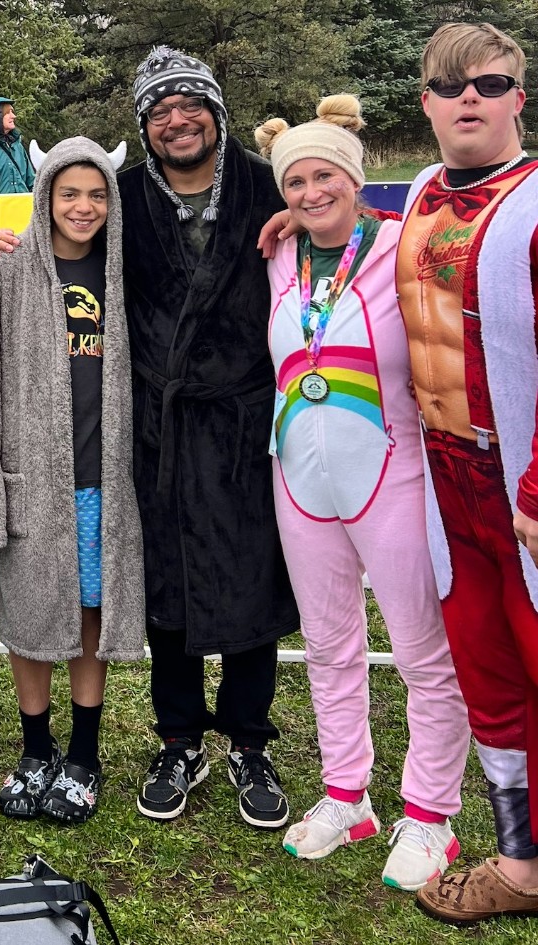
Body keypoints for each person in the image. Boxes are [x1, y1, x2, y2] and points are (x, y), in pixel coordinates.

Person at [0, 47, 299, 830]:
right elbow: (61, 238)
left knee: (252, 582)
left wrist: (322, 215)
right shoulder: (121, 198)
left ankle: (250, 740)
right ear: (144, 125)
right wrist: (7, 245)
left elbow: (340, 216)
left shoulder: (266, 184)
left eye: (191, 105)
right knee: (168, 591)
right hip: (154, 429)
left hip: (245, 420)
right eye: (159, 110)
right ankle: (179, 738)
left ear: (217, 114)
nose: (177, 119)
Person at [254, 95, 470, 891]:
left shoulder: (402, 241)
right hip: (298, 478)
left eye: (326, 176)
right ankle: (349, 796)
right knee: (329, 646)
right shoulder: (278, 255)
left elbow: (438, 182)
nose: (311, 193)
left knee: (423, 652)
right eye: (296, 181)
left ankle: (431, 814)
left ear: (354, 177)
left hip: (391, 470)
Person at [390, 23, 538, 924]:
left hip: (520, 479)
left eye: (488, 83)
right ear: (428, 104)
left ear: (520, 96)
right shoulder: (416, 192)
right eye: (450, 86)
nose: (469, 97)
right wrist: (306, 218)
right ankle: (521, 862)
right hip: (448, 479)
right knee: (488, 672)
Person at [0, 135, 145, 824]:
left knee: (90, 613)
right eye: (69, 193)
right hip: (31, 480)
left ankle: (84, 755)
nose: (84, 206)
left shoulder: (124, 273)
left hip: (104, 479)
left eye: (97, 194)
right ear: (44, 195)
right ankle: (36, 749)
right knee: (30, 617)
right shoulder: (5, 275)